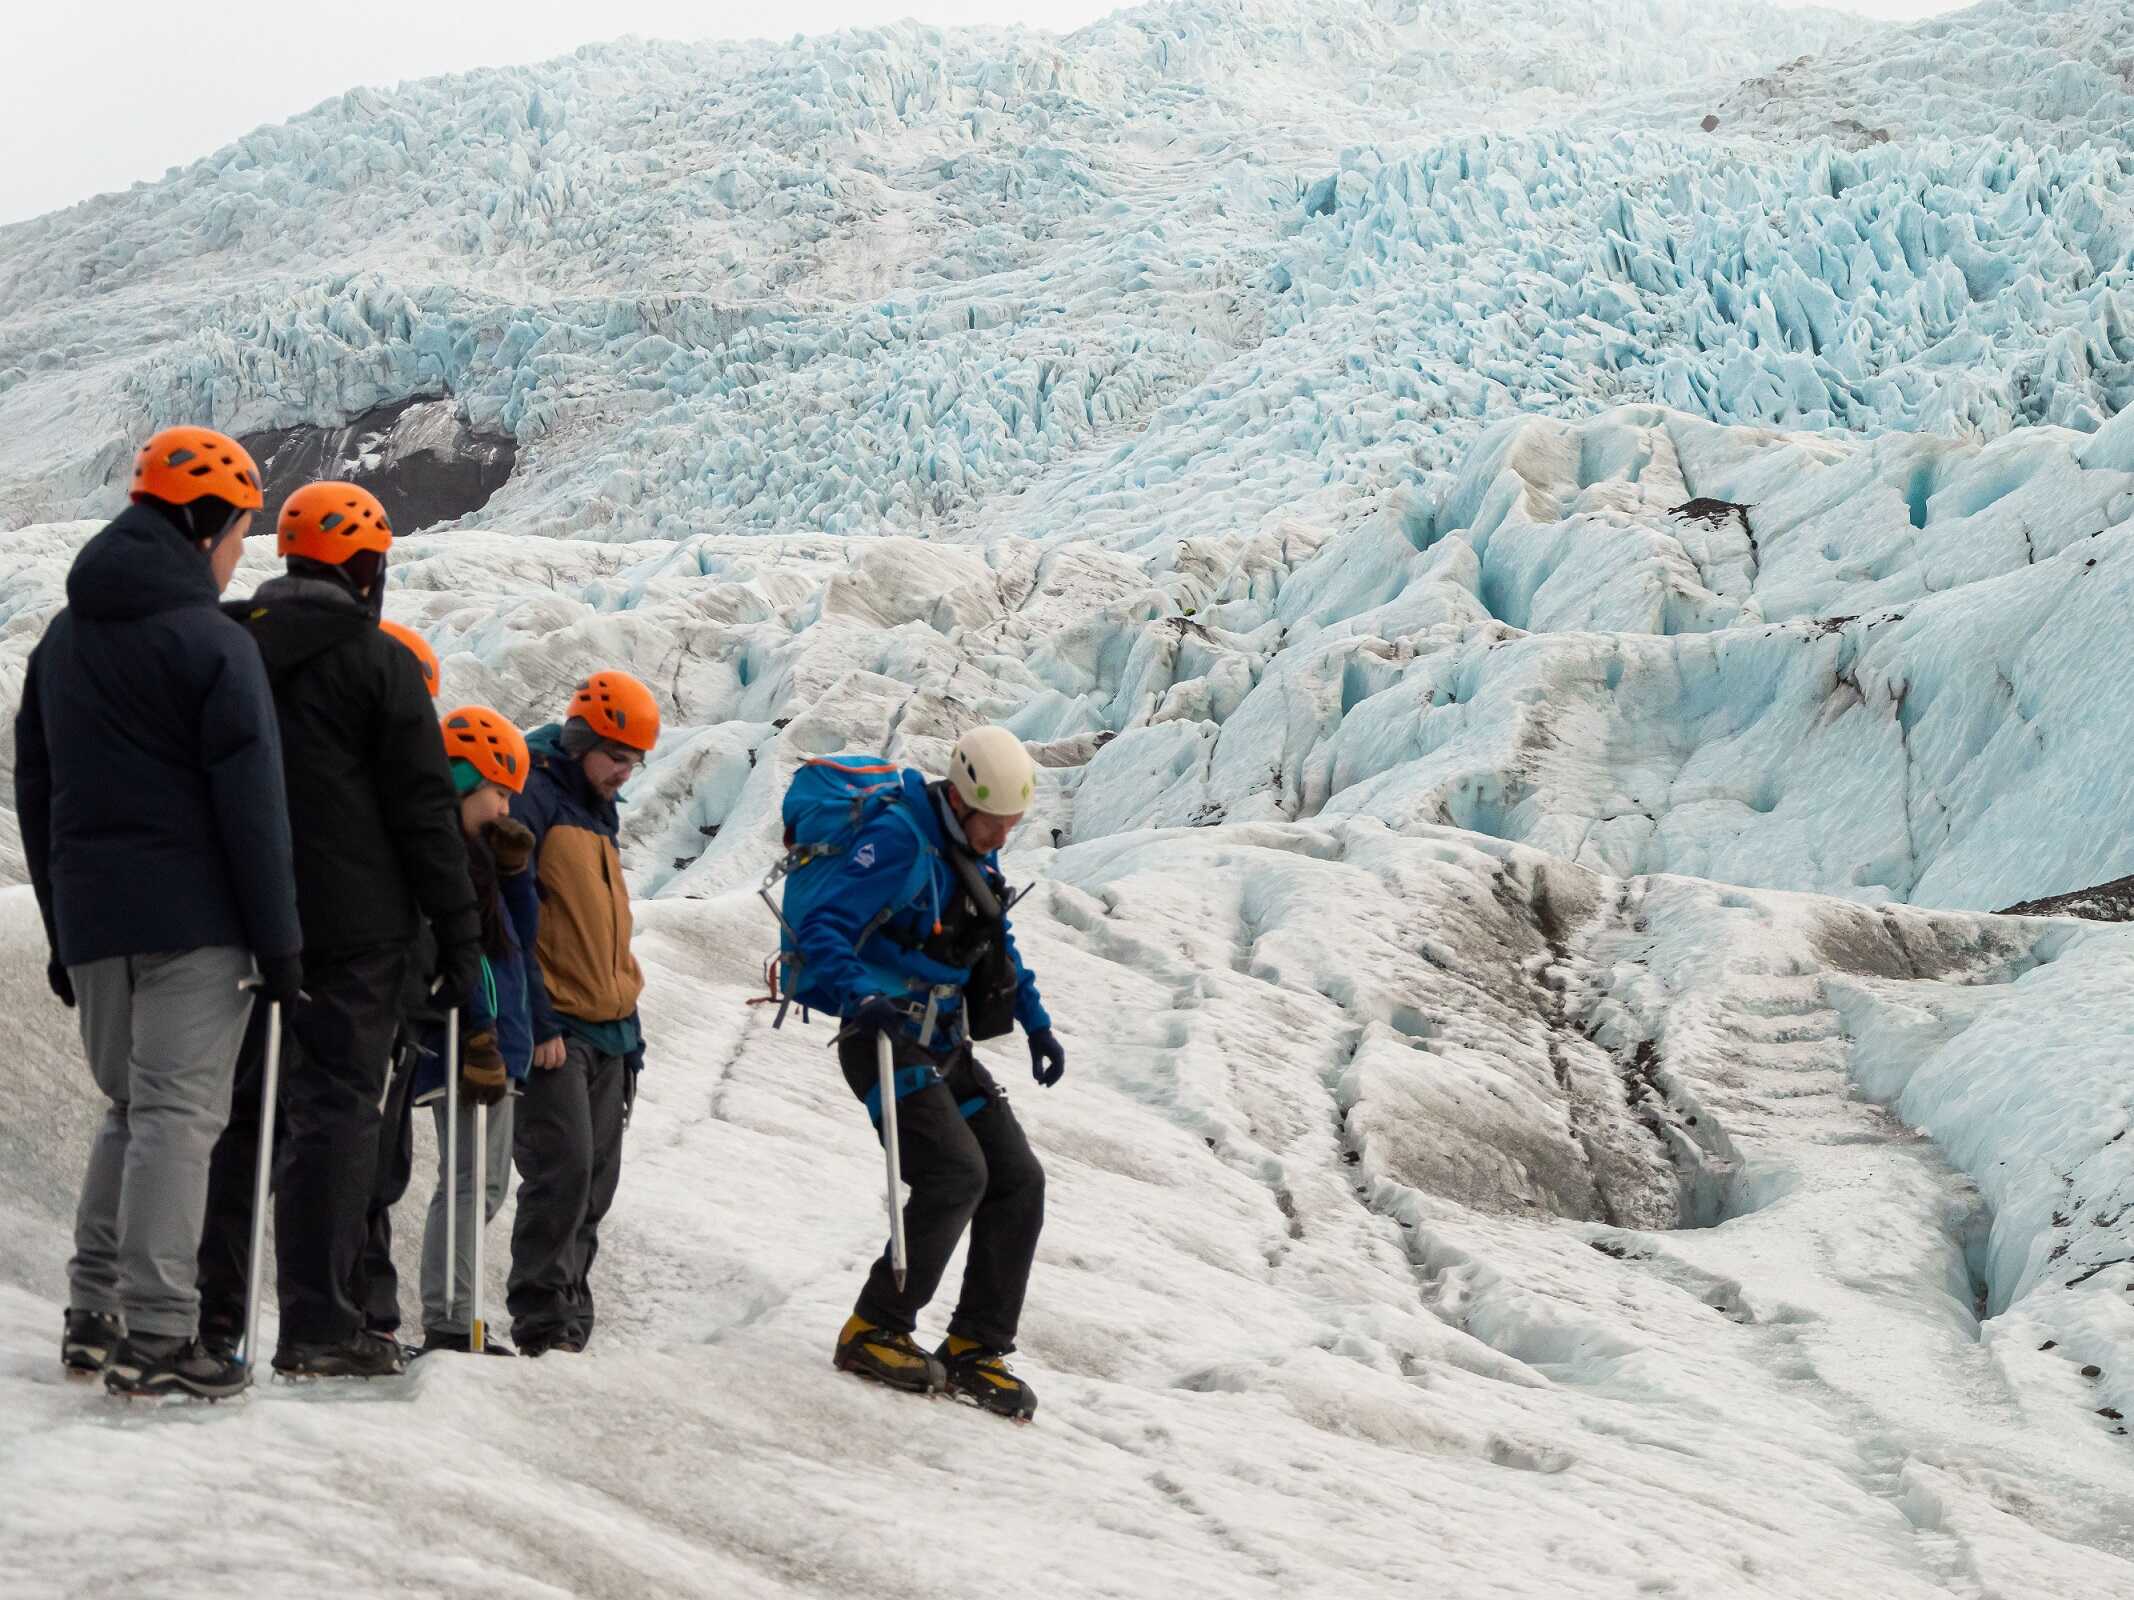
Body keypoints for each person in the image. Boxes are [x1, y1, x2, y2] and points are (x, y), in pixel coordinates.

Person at [15, 426, 303, 1400]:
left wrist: (66, 931)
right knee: (178, 1120)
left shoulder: (62, 640)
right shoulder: (213, 641)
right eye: (237, 531)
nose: (240, 552)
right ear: (202, 520)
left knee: (132, 1109)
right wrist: (281, 941)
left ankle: (93, 1312)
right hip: (196, 923)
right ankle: (159, 1334)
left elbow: (36, 787)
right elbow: (254, 809)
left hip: (97, 921)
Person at [194, 481, 481, 1379]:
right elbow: (426, 813)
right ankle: (320, 1324)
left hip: (236, 919)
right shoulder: (378, 663)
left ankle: (210, 1319)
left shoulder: (228, 643)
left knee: (236, 1117)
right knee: (334, 1118)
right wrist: (460, 936)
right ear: (364, 568)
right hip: (355, 934)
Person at [793, 726, 1064, 1420]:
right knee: (954, 1175)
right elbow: (822, 925)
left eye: (1012, 825)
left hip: (942, 1039)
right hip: (882, 1037)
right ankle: (874, 1326)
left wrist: (1037, 1025)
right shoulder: (900, 842)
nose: (1002, 836)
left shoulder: (969, 851)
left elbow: (997, 939)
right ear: (963, 800)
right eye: (994, 823)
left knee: (1017, 1180)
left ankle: (976, 1345)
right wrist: (861, 995)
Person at [506, 671, 659, 1357]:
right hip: (558, 1028)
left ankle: (571, 1310)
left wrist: (630, 1029)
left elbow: (601, 927)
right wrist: (536, 1022)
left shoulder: (600, 809)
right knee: (561, 1169)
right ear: (582, 740)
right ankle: (541, 1315)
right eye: (616, 756)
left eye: (634, 761)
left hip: (610, 1029)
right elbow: (513, 920)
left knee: (595, 1179)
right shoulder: (534, 796)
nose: (624, 772)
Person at [410, 706, 541, 1356]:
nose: (505, 806)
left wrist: (516, 877)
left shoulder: (482, 862)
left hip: (496, 1047)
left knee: (486, 1186)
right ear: (463, 780)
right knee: (466, 1182)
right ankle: (451, 1323)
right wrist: (480, 1035)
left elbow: (519, 944)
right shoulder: (443, 856)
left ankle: (455, 1317)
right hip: (466, 1044)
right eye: (498, 791)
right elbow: (468, 963)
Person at [351, 617, 445, 1353]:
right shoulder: (368, 784)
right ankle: (350, 1312)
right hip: (367, 994)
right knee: (358, 1159)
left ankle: (369, 1315)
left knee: (382, 1165)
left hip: (399, 1001)